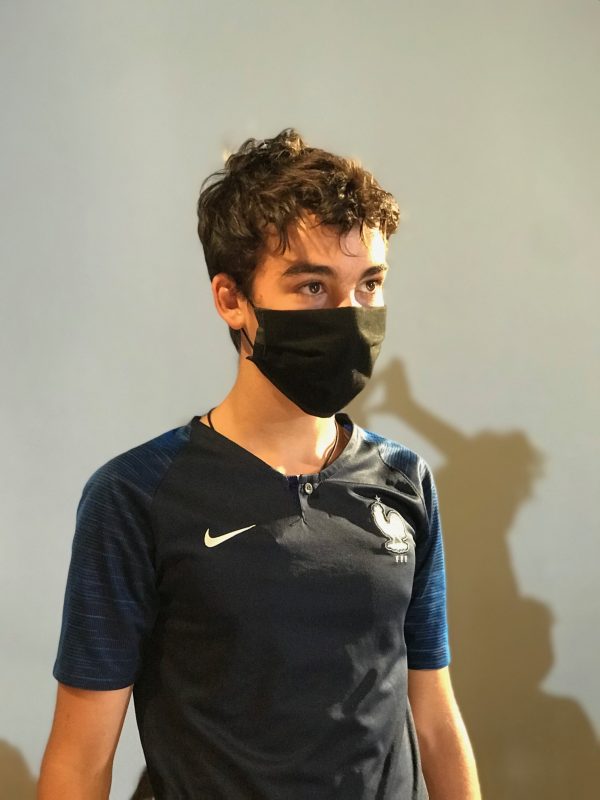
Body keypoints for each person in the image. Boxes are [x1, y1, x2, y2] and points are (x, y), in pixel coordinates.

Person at [38, 128, 481, 799]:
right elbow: (79, 758)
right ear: (230, 299)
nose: (350, 315)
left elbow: (436, 719)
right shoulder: (136, 495)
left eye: (369, 284)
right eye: (312, 286)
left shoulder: (405, 481)